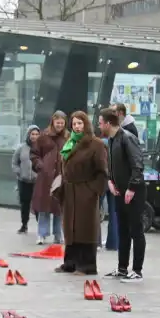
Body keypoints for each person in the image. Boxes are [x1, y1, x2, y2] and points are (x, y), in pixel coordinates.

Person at [58, 111, 109, 275]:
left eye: (80, 123)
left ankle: (87, 265)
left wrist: (93, 190)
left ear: (86, 124)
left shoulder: (96, 144)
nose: (77, 127)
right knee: (70, 228)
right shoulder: (69, 142)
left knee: (85, 228)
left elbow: (102, 171)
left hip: (85, 191)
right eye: (74, 124)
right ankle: (70, 262)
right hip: (70, 191)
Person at [100, 107, 146, 282]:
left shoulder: (127, 138)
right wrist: (110, 181)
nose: (99, 125)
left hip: (133, 192)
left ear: (108, 123)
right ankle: (122, 268)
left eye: (101, 122)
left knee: (136, 230)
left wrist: (132, 188)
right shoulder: (111, 140)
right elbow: (112, 165)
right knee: (123, 231)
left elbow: (137, 165)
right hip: (119, 191)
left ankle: (137, 270)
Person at [31, 111, 67, 246]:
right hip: (45, 177)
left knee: (59, 207)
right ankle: (41, 234)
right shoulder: (43, 137)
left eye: (62, 123)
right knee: (44, 207)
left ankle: (58, 235)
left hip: (62, 176)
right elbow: (34, 154)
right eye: (57, 122)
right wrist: (41, 166)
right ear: (53, 122)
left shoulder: (68, 137)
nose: (59, 125)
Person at [11, 125, 39, 234]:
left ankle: (40, 227)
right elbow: (14, 162)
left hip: (38, 182)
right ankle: (24, 225)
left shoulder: (42, 148)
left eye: (37, 134)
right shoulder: (21, 148)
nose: (34, 136)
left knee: (37, 205)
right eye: (32, 134)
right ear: (28, 135)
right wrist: (20, 172)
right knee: (25, 203)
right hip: (24, 181)